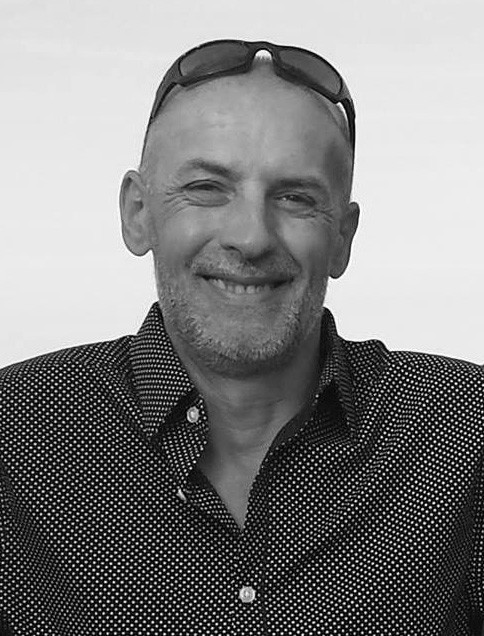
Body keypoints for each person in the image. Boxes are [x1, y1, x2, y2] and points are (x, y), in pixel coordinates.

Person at [1, 39, 483, 636]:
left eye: (295, 198)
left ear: (342, 238)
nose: (251, 237)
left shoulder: (465, 430)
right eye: (207, 188)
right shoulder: (13, 435)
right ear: (137, 213)